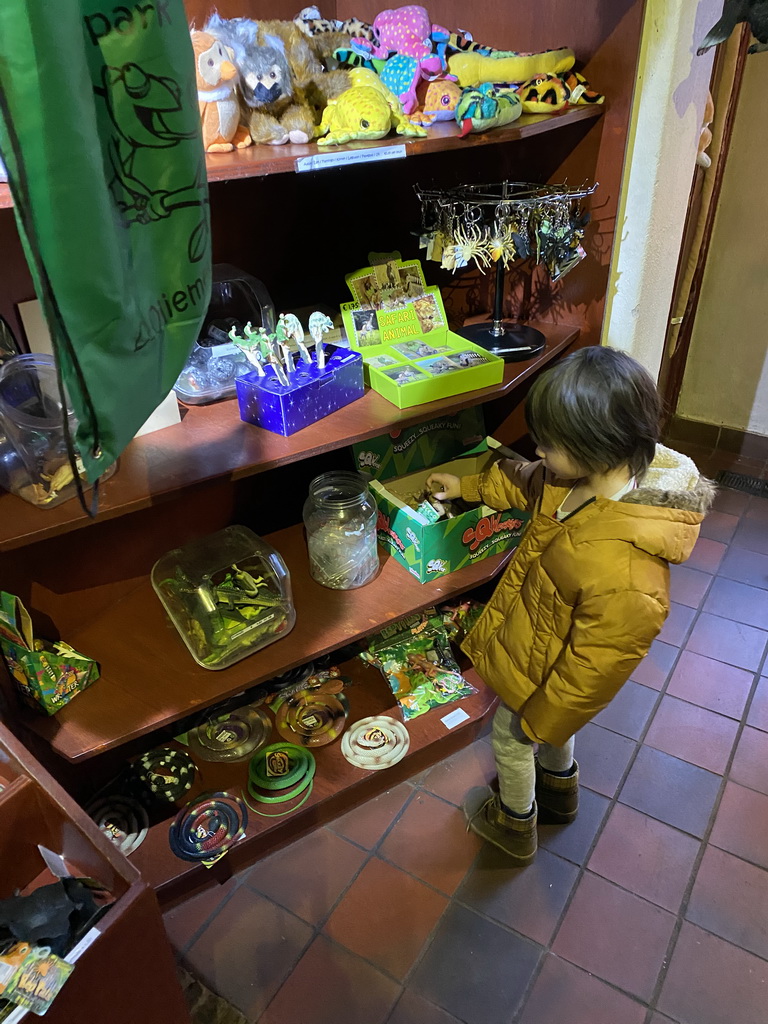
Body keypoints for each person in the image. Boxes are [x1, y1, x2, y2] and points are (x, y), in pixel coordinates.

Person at [426, 346, 714, 865]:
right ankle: (559, 789)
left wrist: (545, 717)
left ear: (593, 447)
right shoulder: (571, 478)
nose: (537, 451)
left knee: (513, 738)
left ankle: (515, 823)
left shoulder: (628, 570)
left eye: (548, 444)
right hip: (535, 640)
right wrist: (467, 486)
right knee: (554, 733)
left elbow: (596, 668)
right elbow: (526, 481)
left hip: (551, 675)